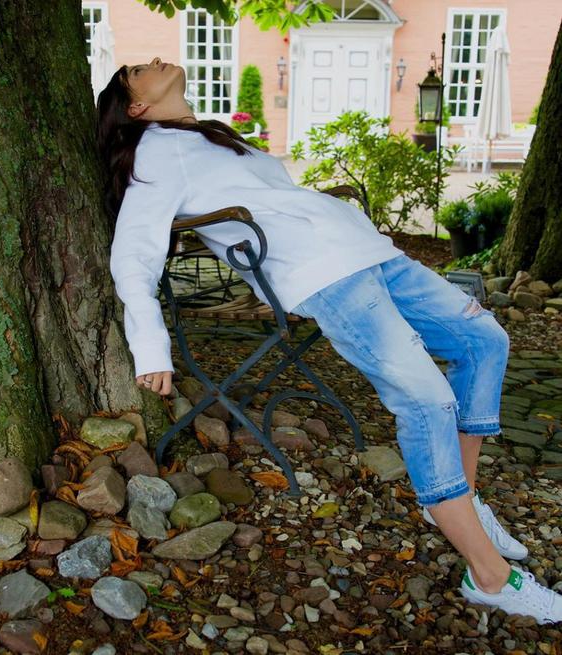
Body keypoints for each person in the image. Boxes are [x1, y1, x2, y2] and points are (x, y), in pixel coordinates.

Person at [96, 57, 562, 625]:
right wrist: (150, 345)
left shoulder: (209, 136)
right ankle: (487, 576)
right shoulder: (154, 152)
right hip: (328, 277)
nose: (151, 60)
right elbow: (134, 254)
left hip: (369, 254)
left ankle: (461, 497)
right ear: (136, 106)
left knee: (483, 339)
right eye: (135, 70)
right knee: (427, 399)